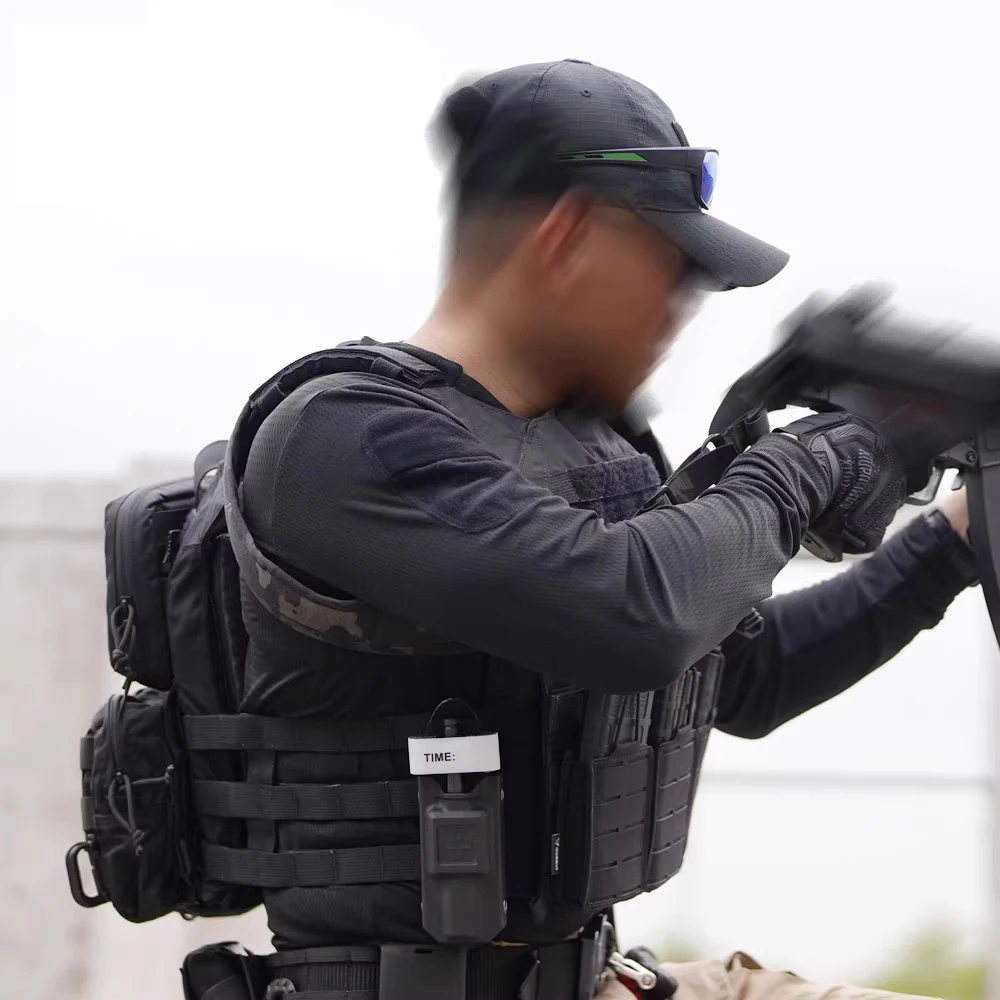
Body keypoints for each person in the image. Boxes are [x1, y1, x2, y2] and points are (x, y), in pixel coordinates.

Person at [230, 59, 978, 1000]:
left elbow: (746, 677)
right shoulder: (344, 435)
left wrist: (948, 542)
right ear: (570, 237)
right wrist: (806, 467)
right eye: (671, 273)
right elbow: (636, 616)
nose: (679, 311)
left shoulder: (598, 445)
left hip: (593, 978)